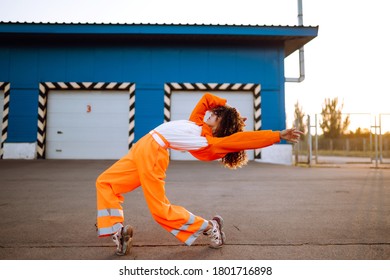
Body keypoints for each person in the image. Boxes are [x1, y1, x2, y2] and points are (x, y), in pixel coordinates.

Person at [96, 93, 302, 256]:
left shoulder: (213, 142)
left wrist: (277, 135)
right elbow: (206, 99)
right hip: (143, 146)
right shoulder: (198, 123)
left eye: (219, 115)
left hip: (154, 153)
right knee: (106, 182)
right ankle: (118, 232)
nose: (214, 112)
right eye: (217, 111)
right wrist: (229, 111)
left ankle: (211, 227)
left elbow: (245, 139)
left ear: (223, 128)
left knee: (159, 210)